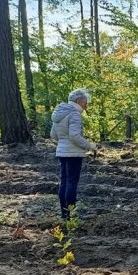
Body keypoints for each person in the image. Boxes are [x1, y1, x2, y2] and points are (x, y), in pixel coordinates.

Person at [50, 88, 97, 219]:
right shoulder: (74, 114)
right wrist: (90, 146)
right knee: (71, 183)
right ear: (79, 100)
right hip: (73, 154)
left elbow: (53, 135)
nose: (86, 105)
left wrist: (64, 143)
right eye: (85, 102)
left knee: (64, 182)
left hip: (61, 152)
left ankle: (64, 214)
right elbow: (75, 136)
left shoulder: (59, 113)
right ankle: (70, 215)